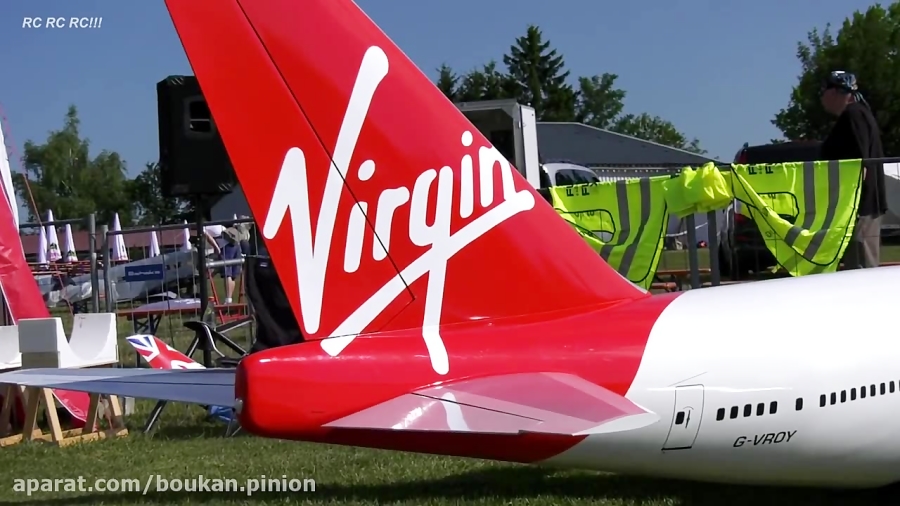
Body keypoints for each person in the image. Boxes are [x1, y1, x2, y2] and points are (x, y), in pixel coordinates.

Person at [819, 70, 887, 269]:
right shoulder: (857, 114)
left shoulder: (853, 115)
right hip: (861, 208)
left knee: (861, 270)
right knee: (859, 269)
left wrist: (853, 206)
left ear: (835, 92)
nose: (822, 97)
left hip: (861, 209)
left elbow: (861, 163)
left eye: (823, 91)